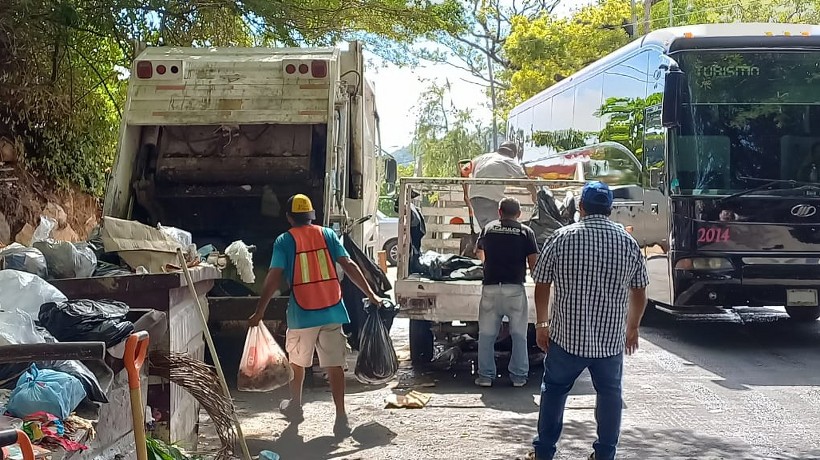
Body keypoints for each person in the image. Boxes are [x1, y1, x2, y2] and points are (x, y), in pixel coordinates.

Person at [530, 181, 649, 460]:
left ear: (581, 207)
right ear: (609, 209)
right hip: (609, 342)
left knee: (554, 393)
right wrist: (632, 328)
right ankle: (605, 454)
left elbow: (542, 283)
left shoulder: (561, 237)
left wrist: (541, 323)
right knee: (610, 397)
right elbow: (640, 290)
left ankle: (544, 452)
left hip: (565, 339)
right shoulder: (627, 242)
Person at [248, 194, 381, 437]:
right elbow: (349, 265)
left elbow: (274, 275)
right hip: (332, 310)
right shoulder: (328, 234)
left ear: (289, 217)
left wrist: (259, 312)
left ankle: (296, 407)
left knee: (298, 362)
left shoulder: (284, 240)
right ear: (312, 216)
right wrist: (371, 294)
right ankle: (341, 418)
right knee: (335, 365)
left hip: (302, 313)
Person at [474, 197, 538, 388]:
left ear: (499, 212)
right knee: (519, 335)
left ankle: (486, 376)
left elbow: (478, 252)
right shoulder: (525, 232)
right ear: (518, 214)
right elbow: (533, 261)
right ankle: (518, 376)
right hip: (514, 290)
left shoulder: (488, 229)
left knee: (486, 335)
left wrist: (489, 262)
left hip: (491, 288)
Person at [462, 141, 536, 230]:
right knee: (499, 231)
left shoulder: (483, 157)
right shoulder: (509, 161)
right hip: (491, 200)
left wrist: (465, 195)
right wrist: (535, 195)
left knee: (488, 231)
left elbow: (464, 170)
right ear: (513, 154)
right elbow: (525, 181)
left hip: (475, 199)